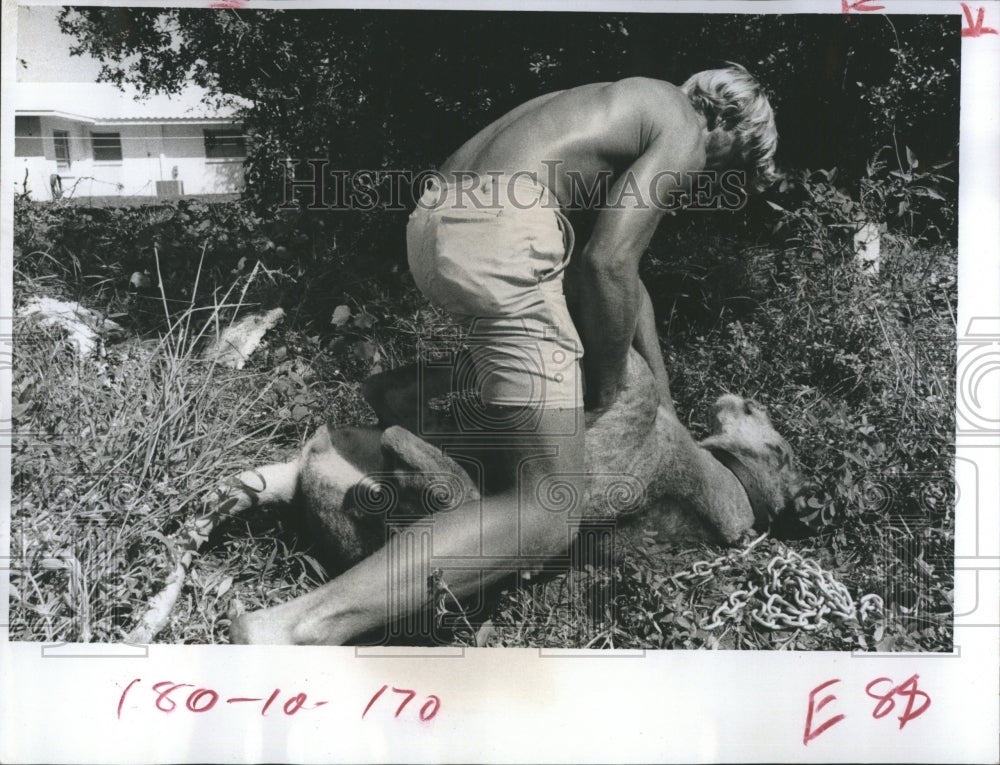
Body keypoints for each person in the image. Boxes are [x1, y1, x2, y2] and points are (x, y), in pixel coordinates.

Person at [240, 67, 777, 644]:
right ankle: (295, 629)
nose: (708, 174)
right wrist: (607, 387)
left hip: (435, 224)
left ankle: (409, 420)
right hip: (503, 236)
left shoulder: (609, 103)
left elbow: (626, 274)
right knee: (550, 507)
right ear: (723, 119)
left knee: (529, 415)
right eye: (730, 162)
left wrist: (665, 403)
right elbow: (608, 265)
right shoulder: (684, 126)